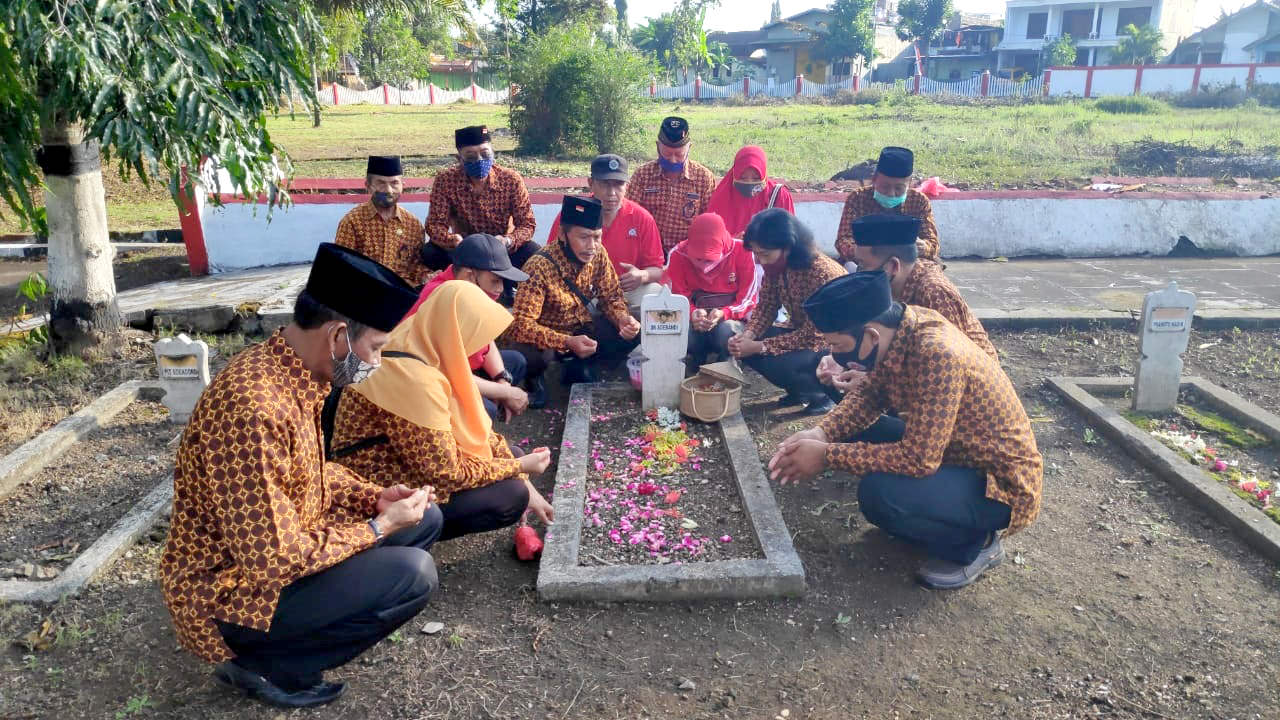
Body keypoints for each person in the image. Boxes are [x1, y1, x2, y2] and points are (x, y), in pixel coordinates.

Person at [161, 243, 438, 709]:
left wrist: (374, 497)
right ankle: (261, 662)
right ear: (338, 336)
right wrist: (378, 527)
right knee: (414, 574)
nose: (377, 362)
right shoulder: (254, 408)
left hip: (280, 546)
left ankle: (297, 634)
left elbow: (310, 471)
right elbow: (272, 561)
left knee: (426, 520)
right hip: (227, 591)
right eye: (376, 347)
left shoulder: (296, 372)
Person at [770, 271, 1043, 590]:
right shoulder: (901, 327)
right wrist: (822, 434)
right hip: (950, 449)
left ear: (870, 335)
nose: (832, 353)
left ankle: (977, 544)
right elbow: (872, 393)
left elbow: (920, 459)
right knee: (856, 439)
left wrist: (827, 456)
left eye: (836, 344)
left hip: (998, 483)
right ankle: (937, 516)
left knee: (880, 494)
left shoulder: (937, 353)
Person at [329, 281, 555, 542]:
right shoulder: (414, 378)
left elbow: (481, 436)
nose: (476, 347)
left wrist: (524, 476)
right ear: (456, 332)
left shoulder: (417, 336)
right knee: (511, 495)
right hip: (378, 487)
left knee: (510, 458)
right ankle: (413, 536)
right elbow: (447, 474)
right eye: (474, 336)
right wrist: (519, 467)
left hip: (405, 459)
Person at [818, 214, 997, 393]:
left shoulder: (935, 292)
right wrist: (839, 355)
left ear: (893, 266)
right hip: (915, 375)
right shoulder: (889, 285)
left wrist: (872, 381)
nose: (859, 272)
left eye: (863, 265)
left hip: (961, 392)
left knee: (861, 392)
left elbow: (951, 366)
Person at [506, 196, 641, 407]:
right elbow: (521, 326)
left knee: (637, 323)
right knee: (529, 352)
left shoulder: (598, 254)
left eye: (597, 237)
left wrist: (622, 319)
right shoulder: (538, 266)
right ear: (562, 235)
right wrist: (566, 342)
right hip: (550, 338)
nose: (592, 245)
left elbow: (611, 296)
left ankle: (584, 364)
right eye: (584, 237)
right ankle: (534, 381)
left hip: (583, 330)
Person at [728, 208, 846, 416]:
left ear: (788, 247)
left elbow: (814, 335)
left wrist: (759, 346)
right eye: (756, 254)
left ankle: (821, 394)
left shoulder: (822, 273)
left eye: (765, 254)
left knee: (778, 360)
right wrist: (747, 337)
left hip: (832, 345)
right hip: (801, 334)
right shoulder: (776, 267)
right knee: (740, 344)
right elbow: (765, 307)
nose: (760, 261)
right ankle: (798, 391)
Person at [407, 233, 530, 423]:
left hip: (459, 368)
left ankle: (480, 405)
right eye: (495, 281)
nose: (500, 289)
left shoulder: (461, 285)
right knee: (483, 411)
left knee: (515, 362)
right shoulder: (444, 298)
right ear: (470, 276)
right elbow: (449, 372)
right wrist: (506, 391)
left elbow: (484, 339)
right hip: (428, 379)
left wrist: (501, 378)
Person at [423, 125, 538, 299]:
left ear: (493, 153)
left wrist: (508, 241)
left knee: (534, 253)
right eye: (470, 156)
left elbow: (527, 224)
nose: (479, 160)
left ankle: (506, 286)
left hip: (501, 249)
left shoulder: (511, 179)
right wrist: (453, 240)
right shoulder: (445, 180)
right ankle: (462, 289)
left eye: (485, 154)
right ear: (459, 158)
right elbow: (434, 225)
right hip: (464, 248)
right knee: (429, 252)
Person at [547, 154, 665, 312]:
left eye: (618, 185)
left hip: (626, 292)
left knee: (657, 296)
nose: (612, 193)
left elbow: (657, 269)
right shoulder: (573, 214)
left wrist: (642, 276)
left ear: (627, 185)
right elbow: (550, 260)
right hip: (582, 292)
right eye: (605, 184)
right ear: (591, 183)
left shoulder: (642, 218)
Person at [666, 213, 761, 368]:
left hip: (730, 319)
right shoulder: (677, 255)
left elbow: (748, 300)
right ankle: (696, 356)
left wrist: (724, 313)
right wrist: (692, 313)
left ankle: (727, 359)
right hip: (695, 323)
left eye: (710, 259)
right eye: (697, 259)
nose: (703, 266)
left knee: (727, 331)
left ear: (722, 247)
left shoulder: (742, 251)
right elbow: (677, 298)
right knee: (681, 333)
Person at [624, 116, 718, 256]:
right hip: (647, 250)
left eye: (679, 154)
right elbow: (629, 214)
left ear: (689, 148)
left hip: (687, 253)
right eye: (667, 154)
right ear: (657, 147)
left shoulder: (703, 178)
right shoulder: (643, 175)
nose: (673, 160)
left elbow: (709, 221)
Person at [334, 155, 431, 287]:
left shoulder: (413, 224)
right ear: (368, 186)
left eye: (394, 183)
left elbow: (416, 266)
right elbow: (341, 267)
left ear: (403, 185)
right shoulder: (352, 222)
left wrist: (427, 276)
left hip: (404, 294)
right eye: (381, 183)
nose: (388, 190)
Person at [834, 147, 940, 265]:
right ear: (874, 179)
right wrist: (863, 250)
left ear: (909, 183)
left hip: (908, 264)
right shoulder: (857, 198)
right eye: (884, 186)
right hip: (866, 261)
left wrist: (923, 247)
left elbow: (933, 244)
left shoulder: (919, 201)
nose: (891, 193)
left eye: (899, 188)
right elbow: (843, 241)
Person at [705, 145, 795, 238]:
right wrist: (732, 242)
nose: (749, 182)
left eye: (756, 178)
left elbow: (789, 239)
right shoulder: (722, 197)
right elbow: (710, 240)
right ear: (734, 174)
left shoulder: (779, 196)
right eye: (743, 178)